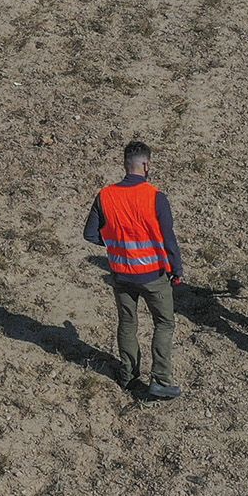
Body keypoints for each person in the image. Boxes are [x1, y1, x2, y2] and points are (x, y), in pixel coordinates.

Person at [84, 141, 186, 401]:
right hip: (154, 276)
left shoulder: (105, 196)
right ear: (146, 165)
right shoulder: (155, 197)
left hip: (121, 274)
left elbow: (89, 234)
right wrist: (177, 268)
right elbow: (168, 238)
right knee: (164, 323)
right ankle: (161, 380)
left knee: (127, 322)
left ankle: (128, 374)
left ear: (125, 164)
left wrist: (114, 245)